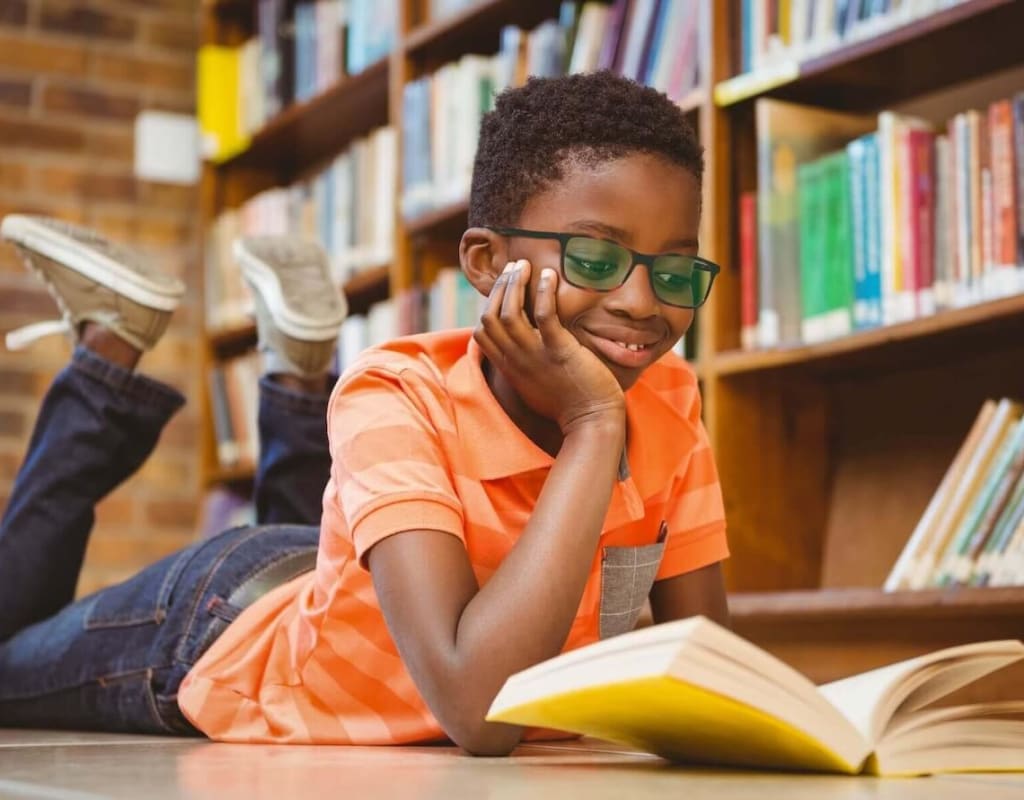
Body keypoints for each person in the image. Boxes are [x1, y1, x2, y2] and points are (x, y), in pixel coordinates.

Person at [0, 71, 729, 755]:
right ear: (483, 262)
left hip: (349, 582)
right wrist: (595, 426)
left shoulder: (670, 399)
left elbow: (714, 678)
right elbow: (482, 711)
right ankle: (107, 357)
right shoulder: (395, 393)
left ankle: (289, 367)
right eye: (594, 261)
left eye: (673, 271)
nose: (641, 303)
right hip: (215, 627)